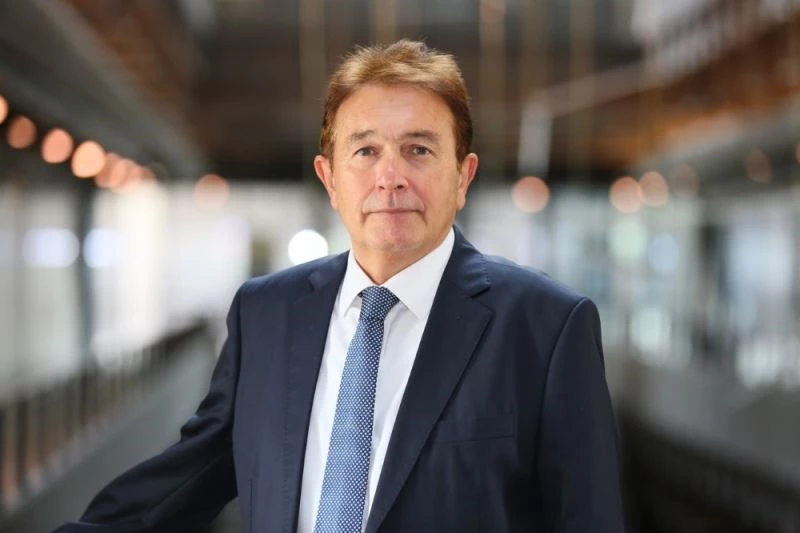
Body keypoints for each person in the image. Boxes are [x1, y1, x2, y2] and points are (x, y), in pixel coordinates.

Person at [55, 39, 625, 533]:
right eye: (365, 150)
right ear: (329, 178)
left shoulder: (546, 327)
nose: (390, 177)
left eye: (419, 150)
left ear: (463, 176)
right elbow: (181, 483)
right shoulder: (266, 314)